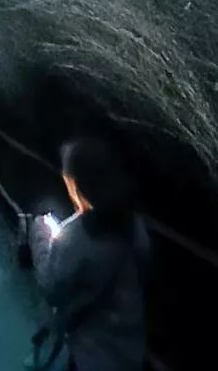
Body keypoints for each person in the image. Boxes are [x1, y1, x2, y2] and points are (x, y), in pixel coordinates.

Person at [28, 138, 149, 371]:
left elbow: (52, 287)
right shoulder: (134, 225)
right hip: (130, 351)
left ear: (77, 185)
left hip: (90, 355)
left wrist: (41, 235)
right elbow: (143, 267)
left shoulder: (76, 236)